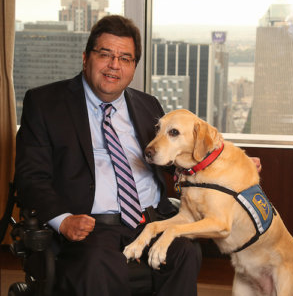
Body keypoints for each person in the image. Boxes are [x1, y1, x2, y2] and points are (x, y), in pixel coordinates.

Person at [15, 15, 202, 296]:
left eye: (125, 58)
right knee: (97, 263)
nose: (115, 65)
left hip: (151, 221)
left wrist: (220, 164)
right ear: (85, 58)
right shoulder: (45, 104)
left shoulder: (148, 105)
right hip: (89, 228)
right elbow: (31, 176)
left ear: (134, 67)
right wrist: (63, 220)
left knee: (185, 252)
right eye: (106, 54)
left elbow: (175, 157)